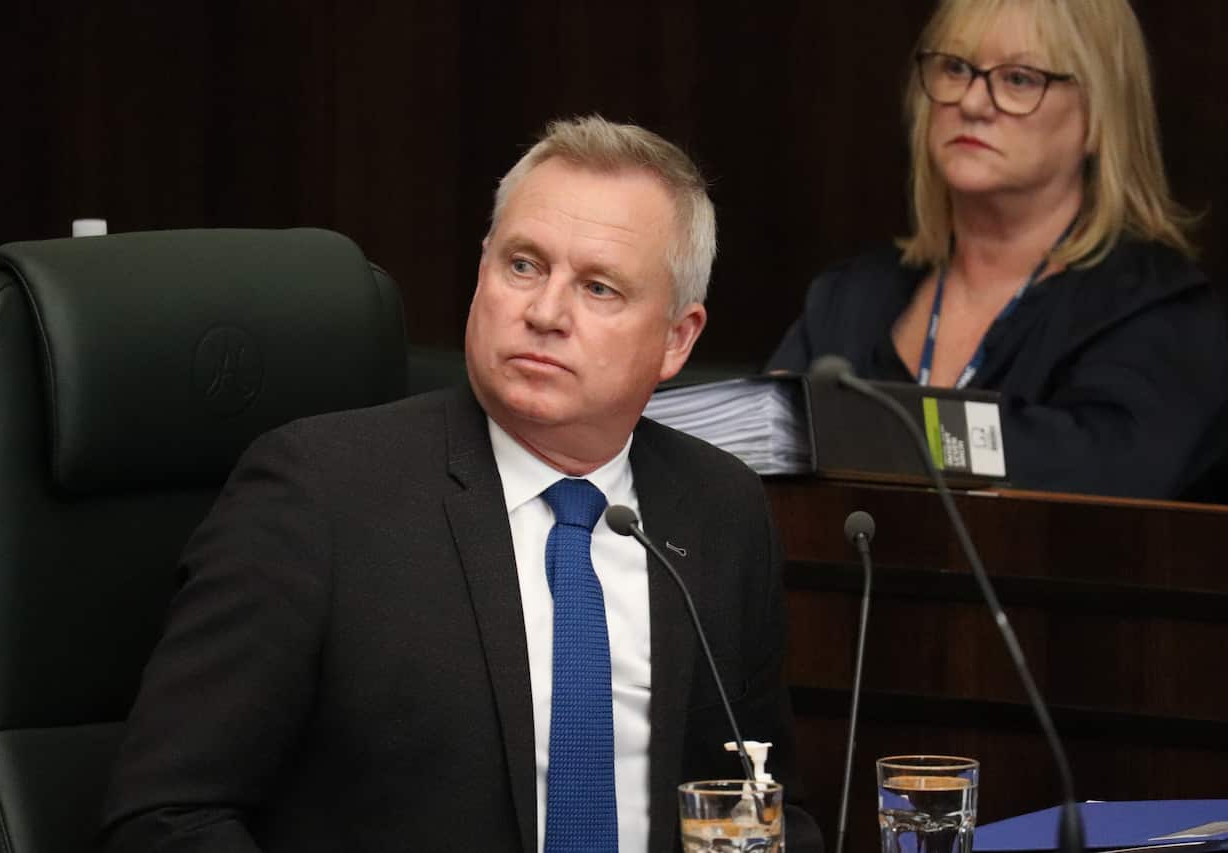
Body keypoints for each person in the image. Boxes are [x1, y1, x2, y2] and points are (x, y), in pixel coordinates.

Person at [100, 116, 823, 853]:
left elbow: (760, 806)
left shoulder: (719, 509)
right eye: (523, 265)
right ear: (482, 273)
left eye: (598, 287)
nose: (545, 312)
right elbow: (166, 817)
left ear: (676, 338)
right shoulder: (318, 494)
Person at [767, 0, 1228, 499]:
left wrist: (858, 435)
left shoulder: (1155, 310)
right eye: (955, 68)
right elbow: (758, 451)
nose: (972, 102)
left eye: (1019, 79)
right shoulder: (848, 298)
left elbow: (1105, 475)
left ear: (1099, 116)